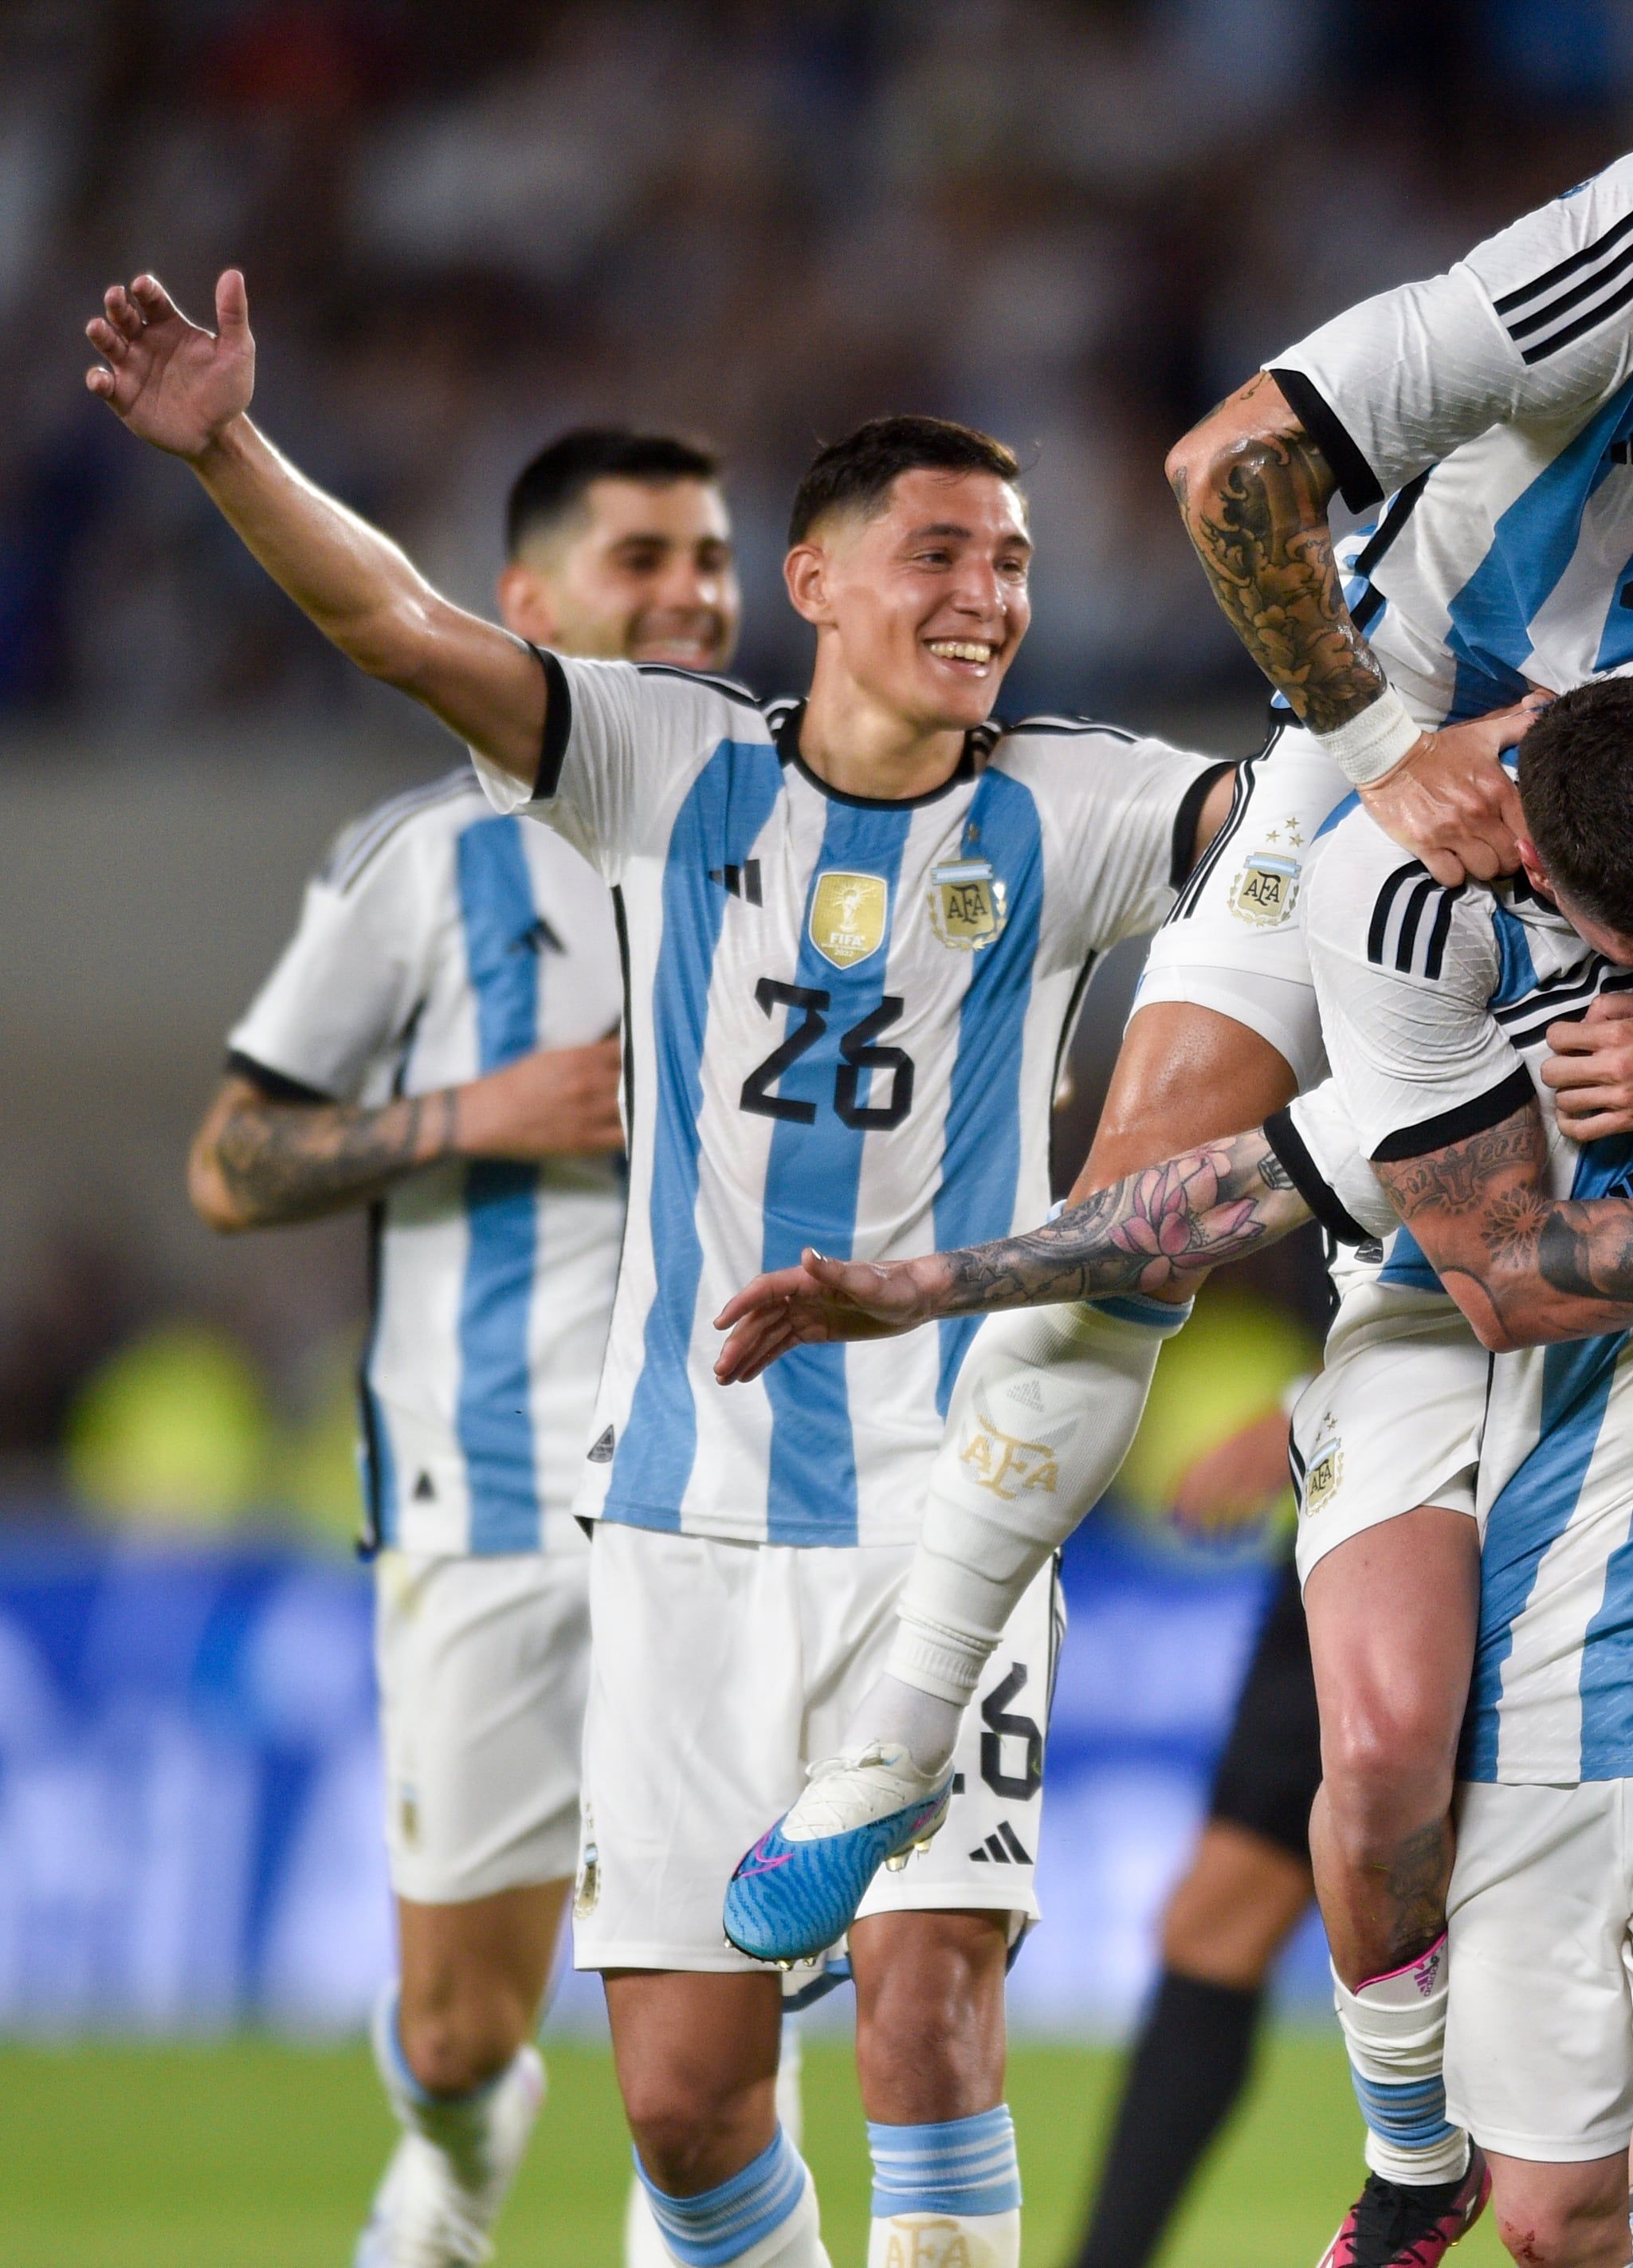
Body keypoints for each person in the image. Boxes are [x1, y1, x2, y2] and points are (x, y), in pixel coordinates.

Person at [815, 4, 1633, 2239]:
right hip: (1412, 771)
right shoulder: (1587, 267)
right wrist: (1368, 736)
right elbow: (1225, 464)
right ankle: (895, 1742)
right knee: (1147, 1163)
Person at [88, 267, 1240, 2268]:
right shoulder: (659, 763)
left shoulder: (1094, 800)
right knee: (688, 2111)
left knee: (926, 2014)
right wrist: (228, 453)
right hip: (680, 1523)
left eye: (1020, 560)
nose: (989, 593)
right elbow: (396, 621)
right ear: (815, 578)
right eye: (940, 553)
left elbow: (1305, 829)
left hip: (946, 1515)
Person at [716, 656, 1633, 2266]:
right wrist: (926, 1277)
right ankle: (1405, 2152)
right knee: (1409, 1810)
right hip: (1507, 1462)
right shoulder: (1459, 967)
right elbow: (1271, 1205)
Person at [190, 427, 733, 2268]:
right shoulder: (415, 864)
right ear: (525, 606)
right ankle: (461, 2132)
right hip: (477, 1490)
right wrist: (471, 1113)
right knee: (457, 2026)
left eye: (712, 559)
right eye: (642, 558)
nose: (691, 595)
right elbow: (233, 1159)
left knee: (726, 2019)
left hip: (735, 1493)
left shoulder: (803, 826)